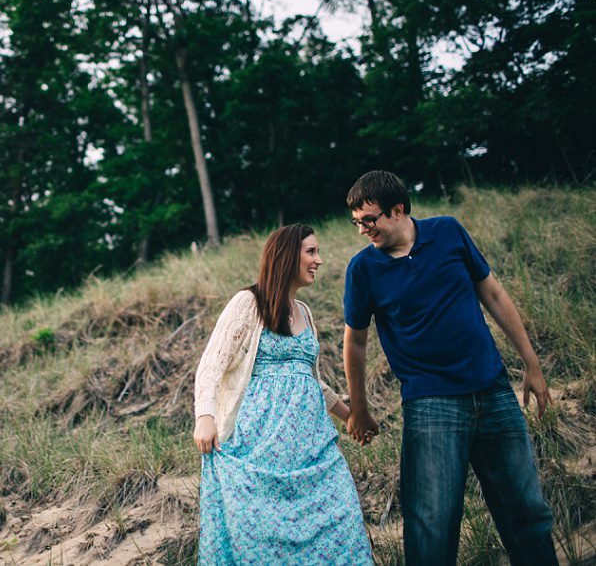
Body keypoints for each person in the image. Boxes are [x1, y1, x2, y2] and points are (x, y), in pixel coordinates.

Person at [341, 170, 558, 566]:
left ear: (398, 209)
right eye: (356, 222)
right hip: (431, 403)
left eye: (369, 221)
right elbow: (355, 340)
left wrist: (532, 363)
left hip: (493, 390)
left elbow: (493, 293)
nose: (362, 231)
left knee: (526, 512)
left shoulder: (448, 232)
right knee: (432, 526)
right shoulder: (363, 269)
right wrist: (359, 406)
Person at [194, 224, 373, 565]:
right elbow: (211, 366)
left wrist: (351, 415)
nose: (319, 260)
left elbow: (310, 382)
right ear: (287, 256)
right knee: (263, 540)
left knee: (342, 519)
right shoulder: (249, 302)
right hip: (258, 447)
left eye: (317, 252)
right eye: (311, 252)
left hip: (313, 449)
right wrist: (205, 416)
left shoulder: (304, 312)